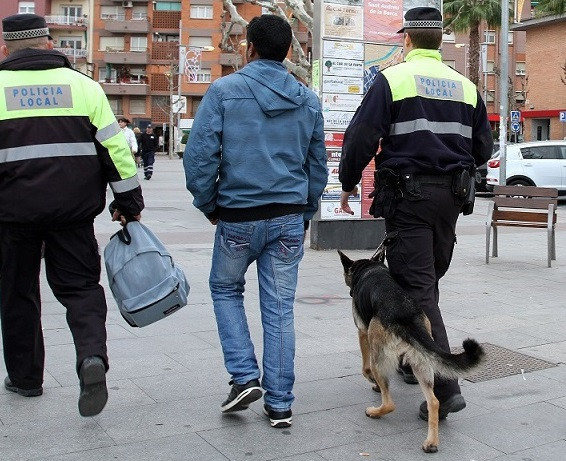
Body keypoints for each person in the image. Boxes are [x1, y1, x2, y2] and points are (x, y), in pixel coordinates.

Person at [0, 14, 144, 417]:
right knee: (81, 289)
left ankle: (25, 378)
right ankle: (91, 359)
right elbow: (117, 153)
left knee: (18, 293)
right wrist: (128, 202)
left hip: (12, 216)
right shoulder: (85, 88)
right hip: (72, 214)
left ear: (5, 49)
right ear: (50, 44)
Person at [338, 7, 493, 422]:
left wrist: (349, 182)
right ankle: (410, 361)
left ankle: (446, 385)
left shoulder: (392, 80)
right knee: (425, 279)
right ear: (440, 41)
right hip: (451, 200)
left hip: (408, 198)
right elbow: (484, 150)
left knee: (419, 289)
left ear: (407, 39)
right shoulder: (466, 86)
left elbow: (360, 137)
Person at [183, 14, 327, 428]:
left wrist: (209, 203)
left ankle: (245, 376)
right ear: (287, 52)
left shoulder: (225, 91)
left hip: (238, 217)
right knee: (280, 308)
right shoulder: (308, 99)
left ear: (249, 47)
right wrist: (305, 210)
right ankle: (280, 402)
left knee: (225, 288)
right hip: (286, 217)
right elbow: (317, 165)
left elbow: (199, 157)